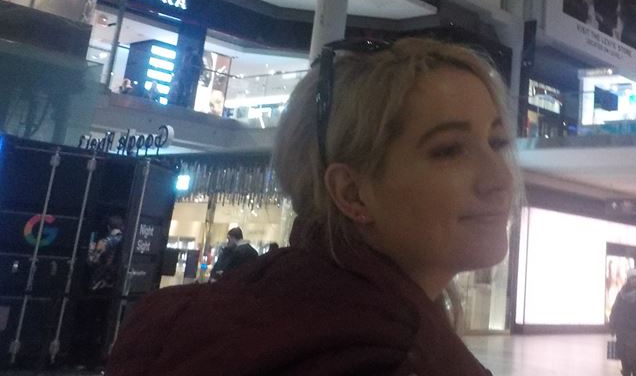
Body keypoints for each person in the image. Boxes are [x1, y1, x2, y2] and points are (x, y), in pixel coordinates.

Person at [106, 38, 515, 375]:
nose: (500, 178)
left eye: (497, 142)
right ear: (352, 193)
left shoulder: (207, 316)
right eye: (449, 150)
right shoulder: (389, 357)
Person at [71, 215, 124, 370]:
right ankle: (102, 358)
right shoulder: (124, 240)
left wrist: (90, 253)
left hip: (98, 287)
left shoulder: (106, 241)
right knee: (106, 323)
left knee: (91, 323)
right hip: (114, 288)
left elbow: (92, 260)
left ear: (108, 227)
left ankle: (86, 360)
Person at [610, 268, 636, 376]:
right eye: (632, 278)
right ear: (628, 280)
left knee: (634, 353)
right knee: (623, 352)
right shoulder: (621, 294)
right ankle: (626, 371)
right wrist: (612, 324)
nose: (634, 281)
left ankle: (635, 371)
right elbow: (615, 309)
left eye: (635, 278)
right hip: (622, 328)